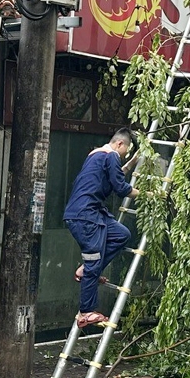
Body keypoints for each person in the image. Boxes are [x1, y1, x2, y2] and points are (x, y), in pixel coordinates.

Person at [63, 128, 141, 328]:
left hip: (92, 214)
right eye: (125, 153)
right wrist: (149, 195)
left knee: (121, 234)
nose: (124, 157)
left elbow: (112, 178)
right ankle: (85, 312)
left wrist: (132, 163)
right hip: (87, 217)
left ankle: (85, 270)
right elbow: (120, 187)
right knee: (94, 264)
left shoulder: (98, 155)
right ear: (120, 145)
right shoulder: (111, 155)